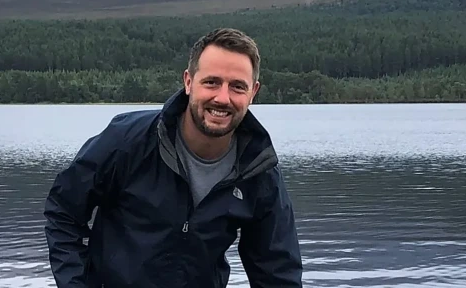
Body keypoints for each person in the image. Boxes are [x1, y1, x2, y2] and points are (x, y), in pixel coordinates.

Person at [44, 28, 303, 287]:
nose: (223, 98)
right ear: (188, 82)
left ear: (253, 92)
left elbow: (278, 272)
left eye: (237, 86)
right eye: (211, 82)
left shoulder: (258, 169)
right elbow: (63, 211)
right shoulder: (127, 141)